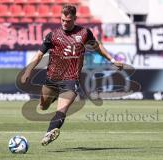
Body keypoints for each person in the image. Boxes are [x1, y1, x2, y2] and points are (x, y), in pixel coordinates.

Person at [21, 4, 123, 146]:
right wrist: (28, 71)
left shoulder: (84, 33)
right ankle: (53, 98)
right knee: (43, 107)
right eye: (62, 20)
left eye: (68, 21)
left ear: (75, 18)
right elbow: (39, 55)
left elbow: (97, 46)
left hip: (70, 79)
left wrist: (112, 60)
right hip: (52, 78)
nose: (65, 23)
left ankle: (49, 133)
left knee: (61, 110)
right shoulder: (53, 35)